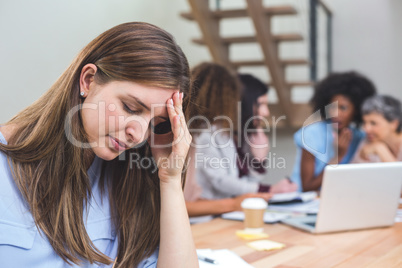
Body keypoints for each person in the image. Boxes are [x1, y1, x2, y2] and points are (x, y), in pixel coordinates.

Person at [0, 22, 198, 268]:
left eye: (156, 124)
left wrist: (170, 180)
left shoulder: (127, 178)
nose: (138, 136)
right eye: (131, 108)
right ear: (88, 80)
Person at [184, 63, 295, 216]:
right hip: (206, 215)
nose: (266, 112)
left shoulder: (228, 133)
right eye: (261, 104)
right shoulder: (204, 133)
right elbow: (220, 181)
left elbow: (244, 180)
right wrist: (266, 190)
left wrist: (259, 160)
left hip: (223, 212)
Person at [290, 71, 377, 192]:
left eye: (343, 108)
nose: (335, 113)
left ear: (356, 110)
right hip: (304, 201)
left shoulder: (359, 137)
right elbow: (307, 187)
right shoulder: (311, 134)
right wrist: (338, 156)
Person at [352, 95, 402, 163]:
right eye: (364, 122)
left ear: (394, 124)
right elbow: (354, 172)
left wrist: (381, 149)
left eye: (373, 123)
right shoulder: (367, 142)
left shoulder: (375, 145)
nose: (366, 129)